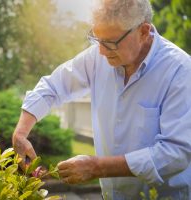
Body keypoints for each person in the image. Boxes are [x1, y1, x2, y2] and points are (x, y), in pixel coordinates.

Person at [12, 0, 191, 199]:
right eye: (97, 39)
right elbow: (53, 85)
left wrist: (98, 167)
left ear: (143, 31)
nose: (101, 51)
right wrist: (21, 133)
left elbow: (176, 152)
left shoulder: (180, 70)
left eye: (111, 42)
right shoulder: (99, 57)